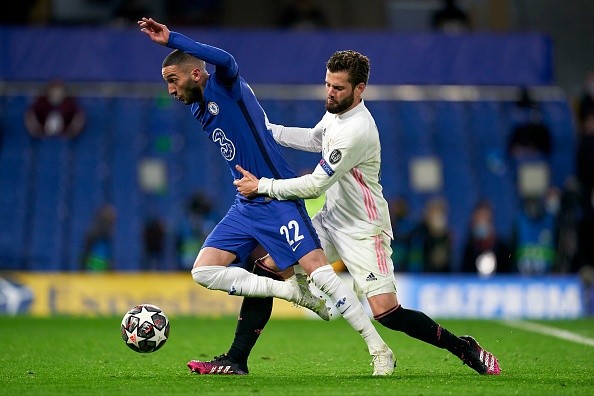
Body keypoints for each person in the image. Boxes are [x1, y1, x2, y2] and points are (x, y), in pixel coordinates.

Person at [138, 17, 394, 376]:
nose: (170, 90)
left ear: (196, 75)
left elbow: (225, 59)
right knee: (203, 271)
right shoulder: (199, 106)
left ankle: (378, 348)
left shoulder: (225, 87)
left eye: (172, 80)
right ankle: (291, 295)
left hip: (277, 198)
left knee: (320, 273)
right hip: (246, 204)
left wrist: (172, 40)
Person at [230, 50, 501, 375]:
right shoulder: (335, 114)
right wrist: (269, 131)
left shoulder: (357, 129)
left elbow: (315, 185)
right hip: (330, 222)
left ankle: (463, 347)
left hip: (363, 231)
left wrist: (263, 186)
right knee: (269, 268)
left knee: (387, 313)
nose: (330, 93)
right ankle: (236, 359)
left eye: (339, 88)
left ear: (360, 90)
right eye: (328, 84)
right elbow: (316, 139)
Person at [461, 200, 512, 275]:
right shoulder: (469, 250)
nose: (481, 224)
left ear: (491, 223)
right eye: (478, 220)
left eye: (484, 219)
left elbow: (509, 276)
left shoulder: (503, 249)